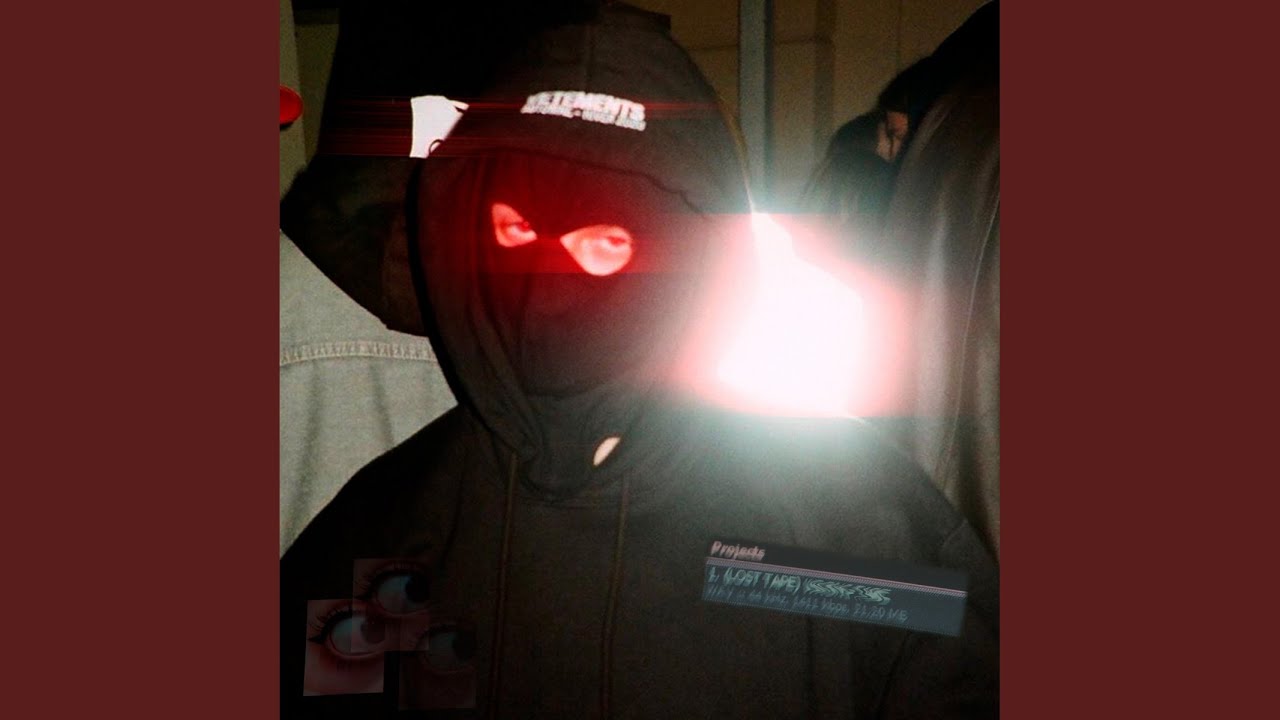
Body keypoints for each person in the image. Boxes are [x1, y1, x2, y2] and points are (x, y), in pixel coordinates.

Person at [282, 4, 998, 718]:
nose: (545, 286)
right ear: (459, 224)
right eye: (516, 230)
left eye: (605, 242)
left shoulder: (849, 535)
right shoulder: (390, 535)